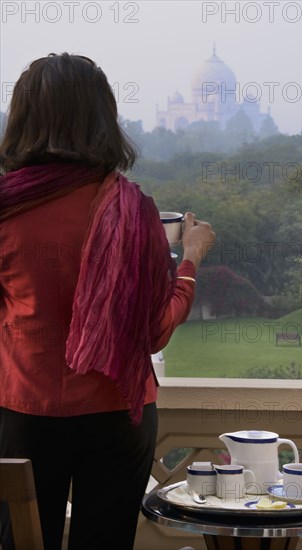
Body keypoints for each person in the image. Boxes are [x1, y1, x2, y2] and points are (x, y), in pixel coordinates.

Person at [0, 53, 215, 550]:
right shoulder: (131, 210)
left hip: (25, 412)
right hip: (117, 413)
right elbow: (155, 330)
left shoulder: (7, 209)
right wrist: (191, 259)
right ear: (103, 119)